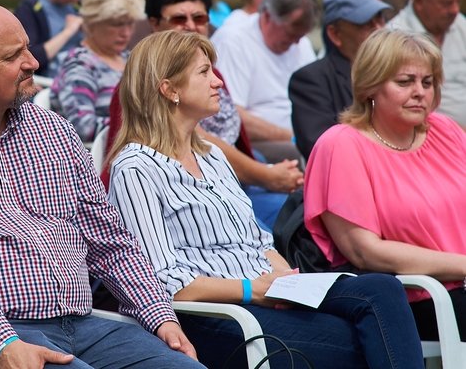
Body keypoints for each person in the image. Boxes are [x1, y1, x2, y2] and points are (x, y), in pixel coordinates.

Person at [0, 1, 202, 369]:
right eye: (12, 56)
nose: (33, 62)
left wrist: (159, 314)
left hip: (82, 325)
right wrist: (2, 341)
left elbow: (110, 241)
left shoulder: (53, 130)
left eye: (27, 48)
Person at [108, 29, 424, 369]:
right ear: (169, 89)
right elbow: (163, 281)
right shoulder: (135, 168)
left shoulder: (212, 154)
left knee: (382, 289)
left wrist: (290, 282)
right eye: (204, 72)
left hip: (266, 293)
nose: (218, 82)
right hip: (215, 314)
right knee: (365, 338)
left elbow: (257, 242)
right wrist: (251, 289)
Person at [304, 28, 466, 341]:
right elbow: (366, 251)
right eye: (405, 82)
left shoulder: (444, 130)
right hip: (416, 299)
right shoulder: (341, 145)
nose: (419, 91)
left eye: (427, 82)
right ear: (370, 87)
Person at [107, 0, 301, 230]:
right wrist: (267, 175)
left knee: (303, 211)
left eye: (199, 18)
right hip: (180, 196)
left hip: (228, 183)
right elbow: (199, 142)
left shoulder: (213, 73)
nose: (190, 26)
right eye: (179, 19)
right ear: (154, 24)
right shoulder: (142, 84)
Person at [290, 0, 389, 160]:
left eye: (380, 18)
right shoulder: (310, 81)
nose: (379, 28)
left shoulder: (396, 74)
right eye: (366, 24)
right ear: (335, 34)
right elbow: (322, 150)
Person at [211, 0, 317, 150]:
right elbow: (230, 116)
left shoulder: (301, 44)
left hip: (301, 136)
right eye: (291, 34)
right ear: (267, 16)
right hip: (254, 144)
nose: (296, 42)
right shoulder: (233, 41)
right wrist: (294, 136)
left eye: (300, 36)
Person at [51, 0, 144, 143]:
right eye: (116, 24)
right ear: (92, 23)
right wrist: (146, 127)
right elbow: (82, 127)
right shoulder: (79, 64)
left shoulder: (131, 59)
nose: (126, 32)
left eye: (130, 23)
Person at [387, 0, 466, 127]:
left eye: (458, 1)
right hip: (424, 134)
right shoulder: (394, 37)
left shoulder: (460, 25)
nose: (454, 10)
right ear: (419, 0)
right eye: (446, 3)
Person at [14, 0, 92, 77]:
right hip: (48, 85)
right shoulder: (30, 9)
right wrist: (67, 32)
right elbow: (29, 58)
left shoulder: (76, 9)